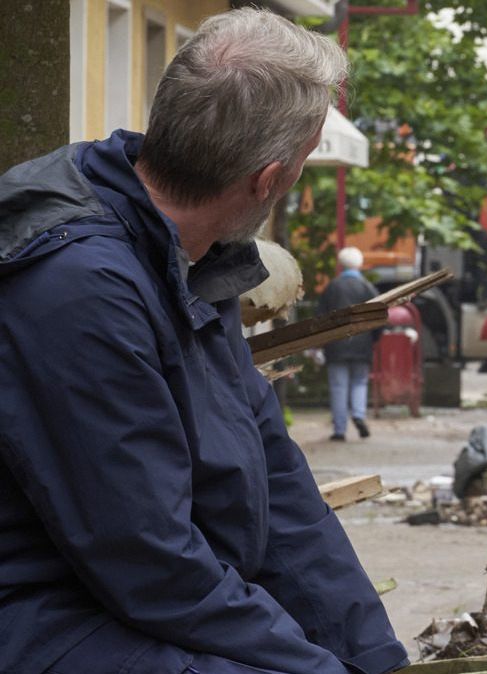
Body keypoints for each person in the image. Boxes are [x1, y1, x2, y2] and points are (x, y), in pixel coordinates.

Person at [0, 9, 409, 674]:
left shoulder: (197, 259)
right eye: (305, 161)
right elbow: (145, 558)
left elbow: (281, 494)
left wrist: (372, 657)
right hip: (43, 613)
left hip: (125, 599)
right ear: (267, 180)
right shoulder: (77, 290)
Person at [319, 246, 380, 441]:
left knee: (338, 386)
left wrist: (320, 343)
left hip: (336, 345)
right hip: (362, 346)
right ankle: (359, 415)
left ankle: (339, 430)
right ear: (360, 264)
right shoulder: (367, 288)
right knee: (360, 382)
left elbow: (320, 317)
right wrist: (373, 339)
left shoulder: (332, 287)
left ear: (340, 264)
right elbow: (379, 317)